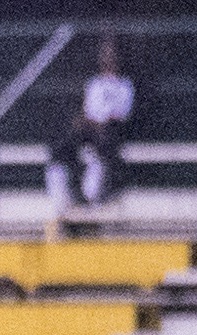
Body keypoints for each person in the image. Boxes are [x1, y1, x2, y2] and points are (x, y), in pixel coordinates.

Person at [45, 34, 132, 209]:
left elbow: (122, 114)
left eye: (111, 55)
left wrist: (102, 122)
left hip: (110, 130)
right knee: (63, 147)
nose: (108, 59)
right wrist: (85, 122)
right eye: (105, 55)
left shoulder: (124, 85)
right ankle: (61, 197)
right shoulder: (95, 83)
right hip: (90, 129)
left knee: (99, 153)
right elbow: (88, 110)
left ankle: (91, 198)